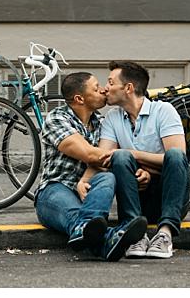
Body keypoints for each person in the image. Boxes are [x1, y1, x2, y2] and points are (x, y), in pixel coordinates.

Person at [34, 72, 147, 262]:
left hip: (89, 193)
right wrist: (121, 156)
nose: (103, 89)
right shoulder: (57, 118)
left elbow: (113, 160)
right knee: (76, 217)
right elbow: (88, 153)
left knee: (108, 178)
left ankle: (92, 234)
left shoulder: (102, 123)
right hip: (56, 189)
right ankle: (107, 237)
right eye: (96, 88)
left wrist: (139, 167)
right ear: (79, 99)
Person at [97, 61, 190, 259]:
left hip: (170, 197)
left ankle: (165, 233)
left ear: (128, 88)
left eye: (111, 82)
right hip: (136, 198)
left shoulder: (164, 111)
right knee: (120, 156)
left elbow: (176, 160)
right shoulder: (112, 118)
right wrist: (136, 164)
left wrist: (136, 157)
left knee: (174, 155)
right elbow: (104, 157)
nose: (106, 88)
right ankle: (135, 234)